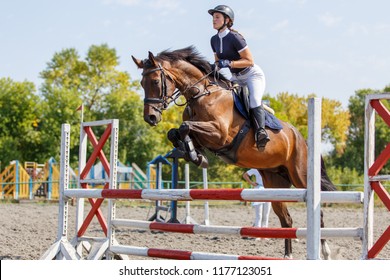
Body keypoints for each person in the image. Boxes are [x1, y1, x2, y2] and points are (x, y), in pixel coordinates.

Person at [208, 5, 270, 149]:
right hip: (236, 77)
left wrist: (230, 63)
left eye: (217, 17)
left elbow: (249, 61)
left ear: (227, 20)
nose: (214, 20)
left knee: (254, 100)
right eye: (213, 17)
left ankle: (261, 132)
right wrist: (213, 67)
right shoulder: (213, 40)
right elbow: (218, 61)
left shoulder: (235, 37)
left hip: (251, 75)